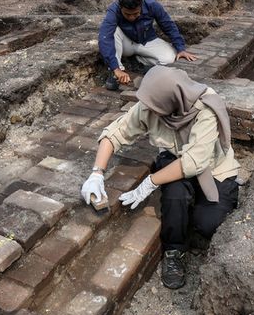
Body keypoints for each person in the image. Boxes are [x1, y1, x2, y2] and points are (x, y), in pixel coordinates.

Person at [81, 66, 240, 289]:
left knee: (208, 224)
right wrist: (96, 173)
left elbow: (195, 161)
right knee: (174, 197)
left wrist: (150, 181)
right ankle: (174, 252)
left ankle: (198, 209)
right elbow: (116, 132)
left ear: (172, 101)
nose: (148, 111)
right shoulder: (153, 103)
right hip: (175, 159)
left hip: (213, 167)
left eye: (154, 108)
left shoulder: (206, 109)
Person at [98, 0, 197, 91]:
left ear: (141, 5)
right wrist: (115, 68)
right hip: (125, 43)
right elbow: (105, 37)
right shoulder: (114, 10)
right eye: (127, 14)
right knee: (113, 32)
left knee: (169, 58)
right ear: (121, 7)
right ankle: (116, 72)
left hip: (146, 41)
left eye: (135, 14)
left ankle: (139, 62)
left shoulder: (152, 5)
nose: (131, 17)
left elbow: (168, 25)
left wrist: (180, 48)